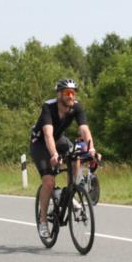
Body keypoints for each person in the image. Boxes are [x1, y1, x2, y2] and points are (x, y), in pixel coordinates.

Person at [30, 79, 96, 240]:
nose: (71, 96)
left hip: (59, 139)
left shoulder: (76, 107)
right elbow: (47, 134)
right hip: (40, 143)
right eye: (67, 93)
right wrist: (54, 154)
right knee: (48, 182)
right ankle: (43, 221)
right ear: (59, 94)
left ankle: (71, 191)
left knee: (76, 154)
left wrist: (91, 149)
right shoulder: (48, 107)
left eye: (73, 93)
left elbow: (84, 129)